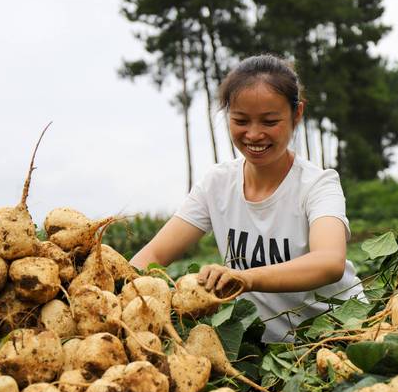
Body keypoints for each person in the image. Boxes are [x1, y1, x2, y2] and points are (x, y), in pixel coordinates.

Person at [130, 54, 364, 342]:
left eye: (269, 121)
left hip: (336, 336)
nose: (254, 134)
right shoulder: (217, 184)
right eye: (241, 120)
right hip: (262, 349)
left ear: (297, 114)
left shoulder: (318, 184)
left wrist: (246, 278)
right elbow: (152, 256)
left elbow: (329, 262)